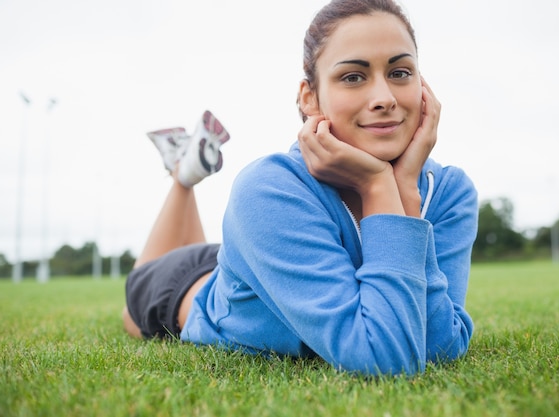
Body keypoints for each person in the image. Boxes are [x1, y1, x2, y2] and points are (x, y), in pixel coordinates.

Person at [123, 0, 478, 377]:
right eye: (353, 77)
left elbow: (439, 346)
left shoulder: (450, 192)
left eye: (400, 72)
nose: (385, 98)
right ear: (309, 97)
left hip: (263, 256)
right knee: (135, 306)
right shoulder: (268, 189)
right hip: (182, 287)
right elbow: (385, 358)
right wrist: (380, 185)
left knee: (225, 262)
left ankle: (187, 167)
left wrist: (404, 187)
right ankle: (183, 175)